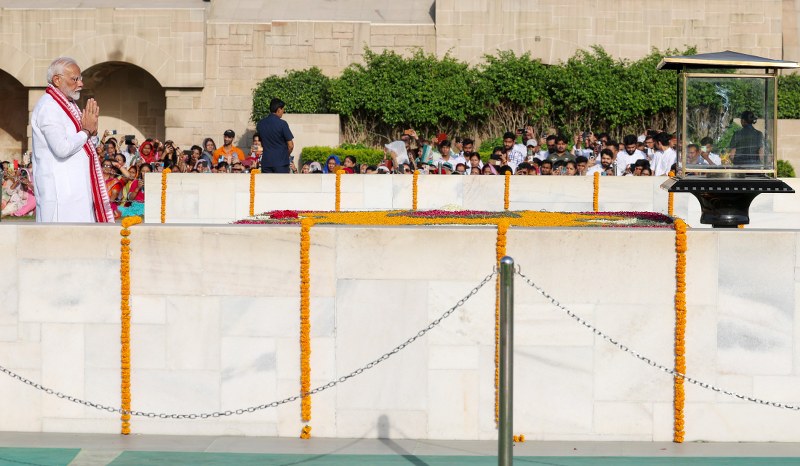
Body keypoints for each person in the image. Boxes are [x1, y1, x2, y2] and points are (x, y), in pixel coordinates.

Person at [30, 57, 113, 223]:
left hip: (77, 190)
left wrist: (92, 133)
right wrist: (86, 131)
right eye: (75, 79)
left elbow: (84, 145)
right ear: (57, 80)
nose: (81, 84)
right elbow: (62, 148)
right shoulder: (49, 107)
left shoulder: (69, 105)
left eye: (80, 79)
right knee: (61, 238)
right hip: (61, 193)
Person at [256, 98, 295, 173]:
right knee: (281, 181)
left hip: (266, 162)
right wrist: (285, 155)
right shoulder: (282, 124)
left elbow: (261, 142)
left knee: (267, 181)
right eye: (283, 109)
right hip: (281, 163)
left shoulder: (260, 124)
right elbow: (290, 145)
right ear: (279, 109)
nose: (283, 112)